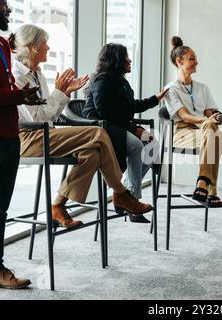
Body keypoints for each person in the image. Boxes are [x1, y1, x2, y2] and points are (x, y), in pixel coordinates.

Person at [10, 25, 153, 230]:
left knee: (93, 154)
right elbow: (38, 117)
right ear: (33, 47)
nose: (48, 47)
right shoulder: (18, 76)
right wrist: (59, 93)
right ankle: (121, 193)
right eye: (44, 44)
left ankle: (57, 205)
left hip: (46, 133)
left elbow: (51, 115)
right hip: (28, 138)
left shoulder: (37, 73)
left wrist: (64, 93)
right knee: (97, 132)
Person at [0, 0, 46, 300]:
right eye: (3, 4)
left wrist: (21, 97)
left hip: (8, 136)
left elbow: (5, 89)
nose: (9, 9)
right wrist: (13, 96)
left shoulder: (1, 43)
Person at [83, 43, 167, 223]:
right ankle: (133, 201)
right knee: (136, 145)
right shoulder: (102, 80)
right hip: (100, 128)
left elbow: (131, 107)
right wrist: (133, 129)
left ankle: (125, 194)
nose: (130, 60)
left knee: (152, 145)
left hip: (118, 126)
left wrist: (156, 99)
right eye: (126, 57)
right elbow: (105, 113)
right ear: (116, 60)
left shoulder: (121, 81)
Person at [163, 36, 222, 207]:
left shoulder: (203, 87)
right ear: (179, 61)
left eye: (196, 59)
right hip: (182, 132)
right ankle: (211, 189)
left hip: (204, 131)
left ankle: (202, 182)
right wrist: (207, 121)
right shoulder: (171, 89)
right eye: (192, 59)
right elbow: (184, 116)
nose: (197, 62)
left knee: (215, 134)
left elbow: (210, 113)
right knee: (216, 136)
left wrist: (211, 119)